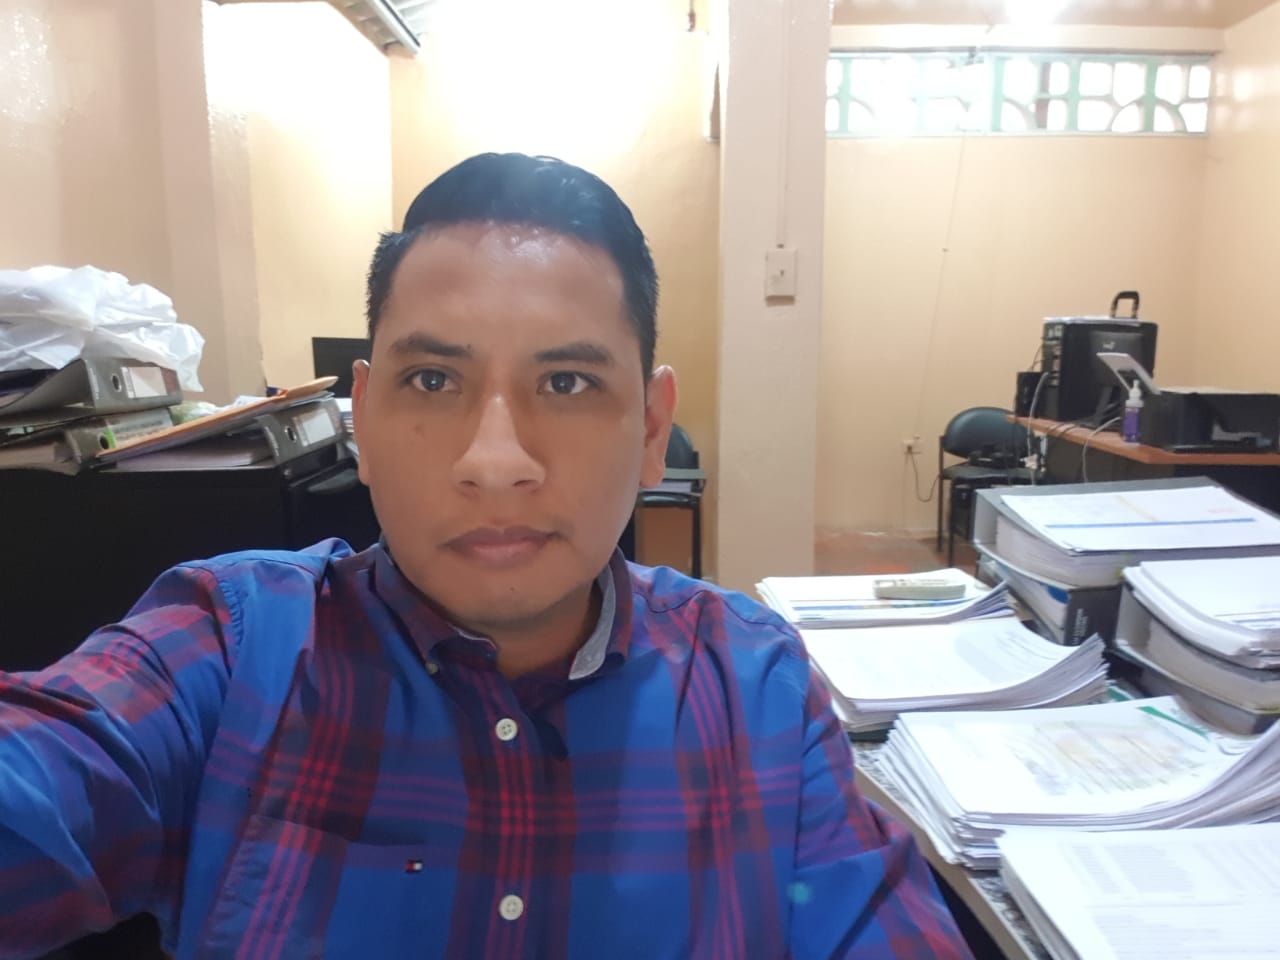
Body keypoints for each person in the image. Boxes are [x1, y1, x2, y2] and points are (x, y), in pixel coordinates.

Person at [0, 153, 971, 959]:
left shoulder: (753, 686)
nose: (495, 460)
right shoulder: (231, 649)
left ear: (650, 429)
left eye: (566, 381)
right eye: (433, 380)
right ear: (363, 419)